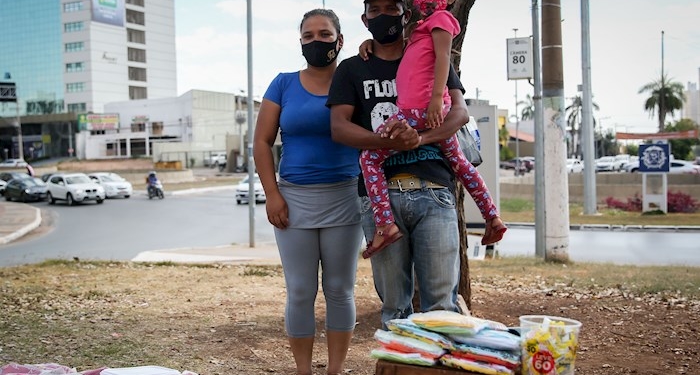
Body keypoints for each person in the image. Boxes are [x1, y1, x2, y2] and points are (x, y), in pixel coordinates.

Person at [327, 0, 502, 327]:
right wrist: (389, 142)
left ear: (406, 13)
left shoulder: (427, 49)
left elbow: (460, 112)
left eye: (390, 8)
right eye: (374, 10)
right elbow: (339, 127)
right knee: (394, 310)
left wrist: (418, 140)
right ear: (364, 20)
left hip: (434, 191)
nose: (383, 16)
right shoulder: (352, 68)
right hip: (381, 204)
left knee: (442, 308)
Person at [252, 9, 363, 375]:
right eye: (309, 35)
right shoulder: (282, 84)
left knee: (339, 289)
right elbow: (262, 142)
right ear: (300, 41)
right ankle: (303, 371)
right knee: (300, 290)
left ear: (340, 40)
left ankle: (334, 370)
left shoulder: (353, 81)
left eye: (325, 34)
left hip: (345, 197)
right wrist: (272, 194)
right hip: (293, 200)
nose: (317, 41)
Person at [357, 0, 506, 258]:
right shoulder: (419, 30)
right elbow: (407, 50)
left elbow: (443, 57)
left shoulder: (441, 20)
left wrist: (437, 97)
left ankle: (384, 225)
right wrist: (368, 43)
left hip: (417, 111)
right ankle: (492, 217)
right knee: (460, 164)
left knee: (369, 157)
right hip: (425, 111)